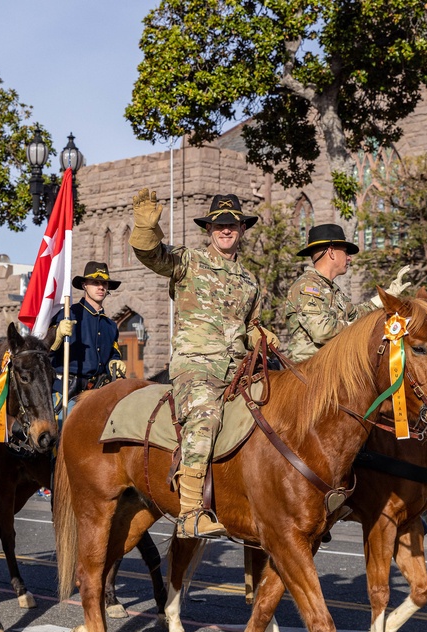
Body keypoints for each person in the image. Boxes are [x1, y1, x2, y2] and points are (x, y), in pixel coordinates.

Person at [130, 190, 266, 538]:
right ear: (209, 229)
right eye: (219, 224)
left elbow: (246, 326)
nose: (225, 230)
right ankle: (190, 512)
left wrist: (261, 335)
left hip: (236, 370)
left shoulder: (250, 280)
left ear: (242, 229)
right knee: (205, 416)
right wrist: (146, 229)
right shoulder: (188, 260)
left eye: (232, 224)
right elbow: (153, 255)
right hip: (197, 364)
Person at [283, 223, 410, 362]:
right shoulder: (308, 286)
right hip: (309, 372)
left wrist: (385, 297)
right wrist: (361, 328)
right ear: (331, 252)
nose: (349, 258)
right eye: (346, 252)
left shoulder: (332, 289)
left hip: (331, 368)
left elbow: (356, 315)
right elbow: (322, 331)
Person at [47, 261, 127, 418]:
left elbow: (113, 354)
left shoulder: (110, 325)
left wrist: (114, 362)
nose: (101, 287)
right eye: (95, 283)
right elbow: (45, 352)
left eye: (104, 283)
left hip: (97, 392)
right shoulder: (68, 315)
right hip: (66, 392)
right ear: (84, 285)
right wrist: (56, 336)